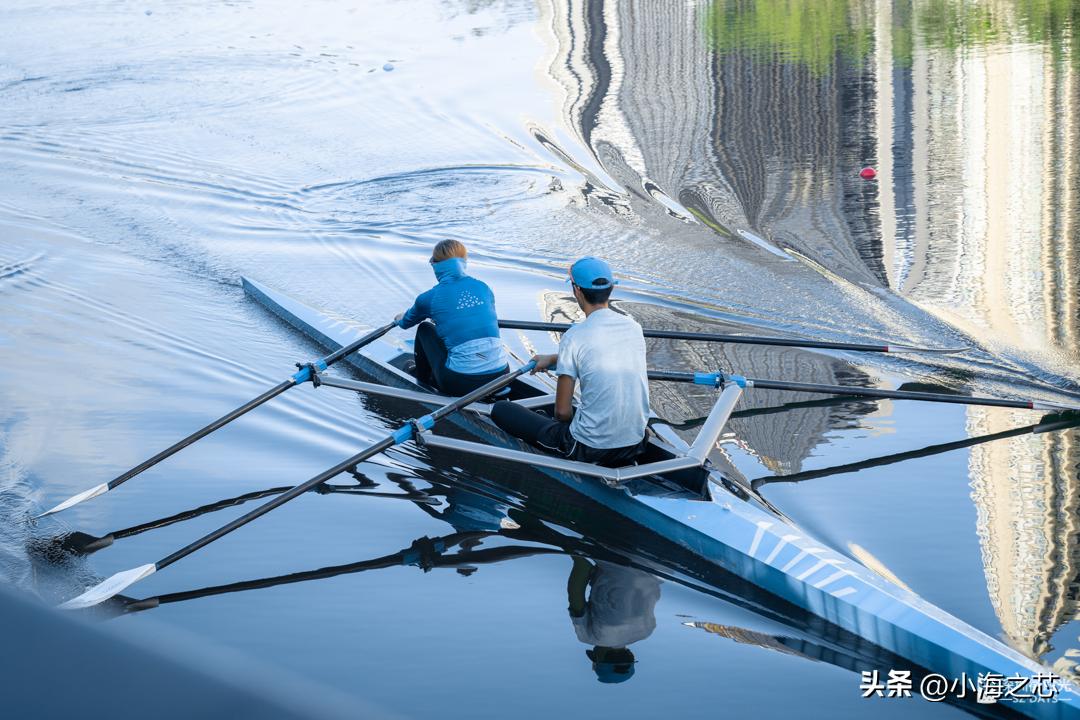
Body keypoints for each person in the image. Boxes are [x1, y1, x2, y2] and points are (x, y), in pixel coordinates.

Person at [490, 256, 649, 467]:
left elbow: (562, 412)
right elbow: (601, 357)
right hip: (637, 441)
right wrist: (554, 359)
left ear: (577, 291)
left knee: (501, 409)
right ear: (611, 289)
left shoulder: (574, 337)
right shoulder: (633, 327)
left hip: (588, 449)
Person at [395, 240, 509, 396]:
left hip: (461, 381)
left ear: (435, 265)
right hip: (502, 374)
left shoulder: (429, 298)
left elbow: (405, 323)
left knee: (425, 329)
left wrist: (398, 318)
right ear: (464, 262)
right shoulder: (483, 287)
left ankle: (421, 380)